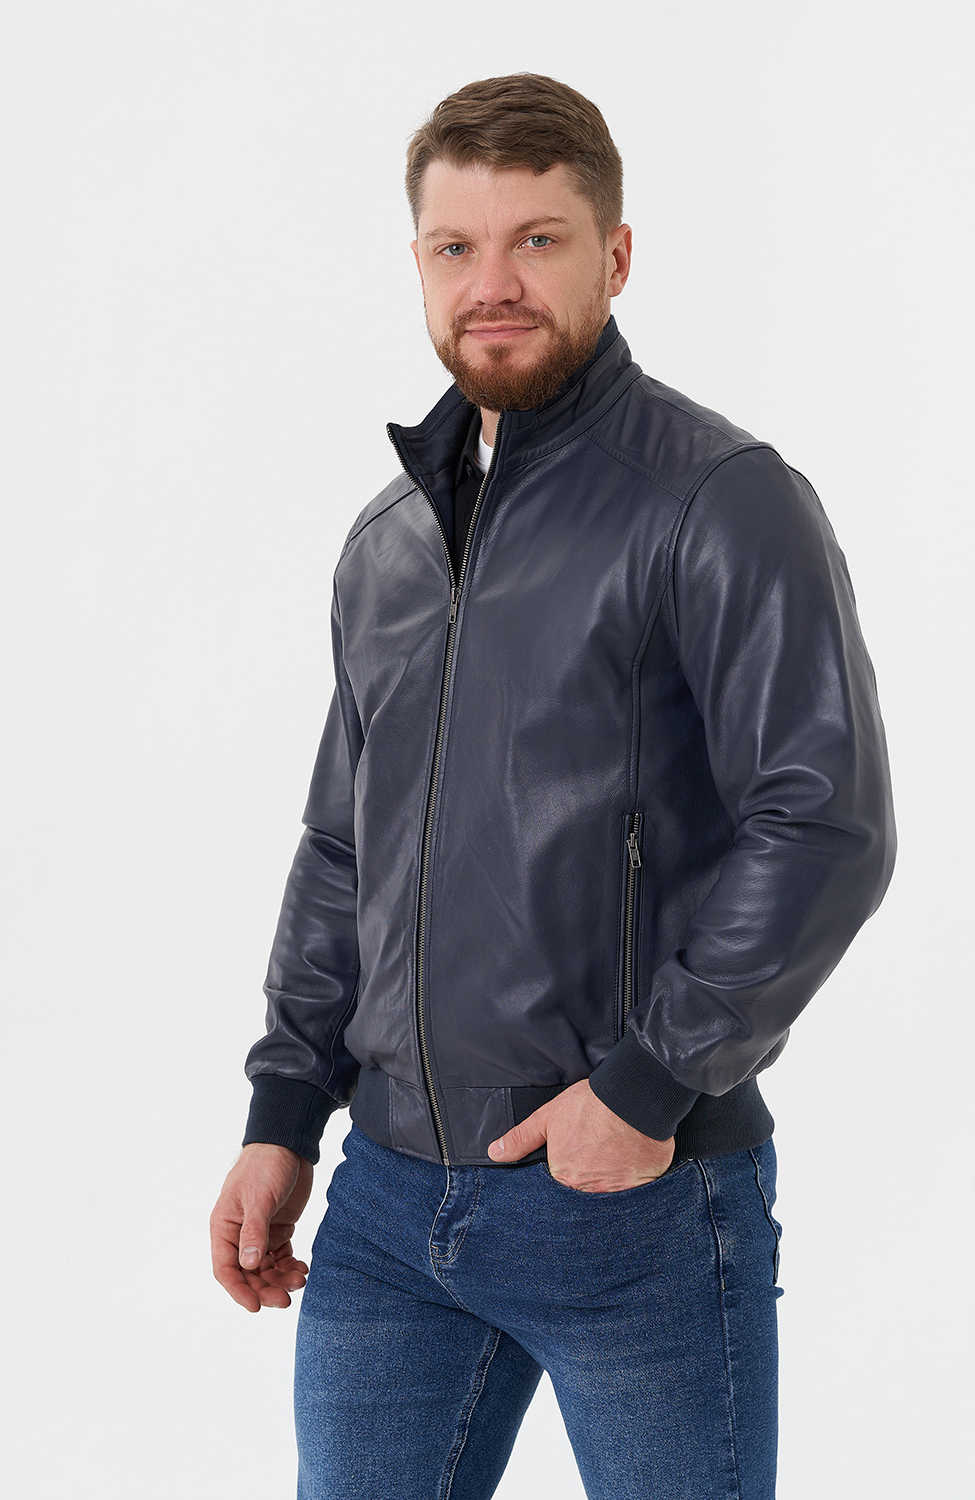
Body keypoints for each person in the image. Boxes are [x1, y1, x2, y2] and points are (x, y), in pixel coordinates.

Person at [210, 73, 895, 1500]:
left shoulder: (718, 498)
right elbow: (342, 850)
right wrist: (284, 1117)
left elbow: (822, 821)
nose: (494, 284)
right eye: (456, 246)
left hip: (633, 1194)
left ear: (616, 255)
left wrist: (645, 1088)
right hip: (387, 1208)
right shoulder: (388, 543)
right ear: (417, 264)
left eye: (539, 239)